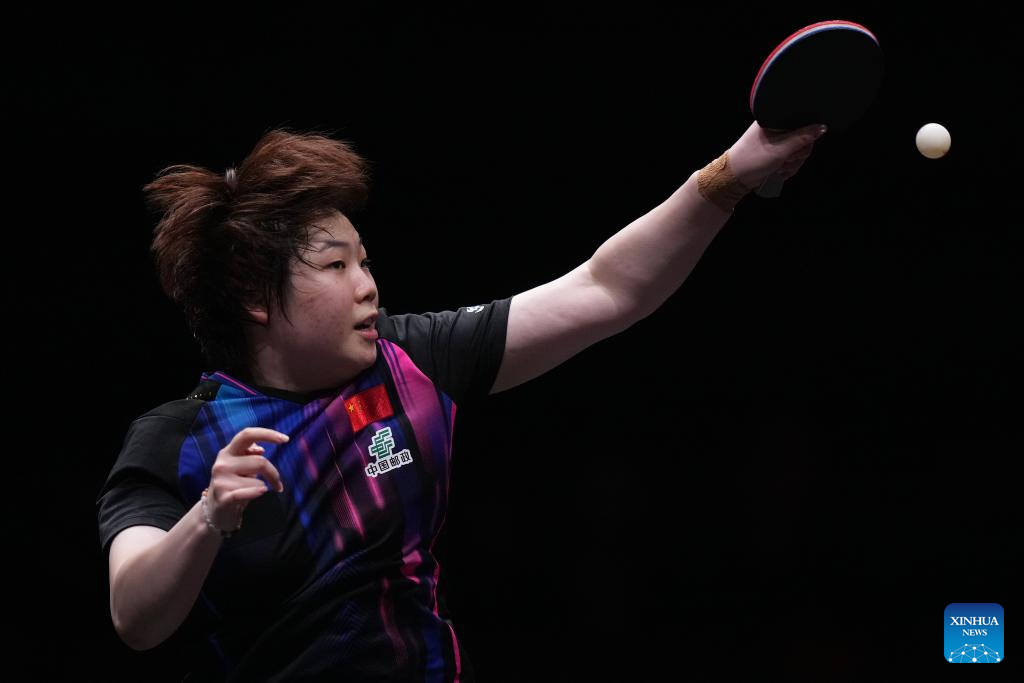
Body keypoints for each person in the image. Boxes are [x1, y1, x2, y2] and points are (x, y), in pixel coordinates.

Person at [96, 121, 825, 681]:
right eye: (336, 265)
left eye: (365, 261)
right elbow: (135, 615)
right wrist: (206, 517)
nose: (368, 285)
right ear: (255, 295)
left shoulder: (408, 362)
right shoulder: (180, 441)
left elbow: (608, 288)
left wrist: (730, 174)